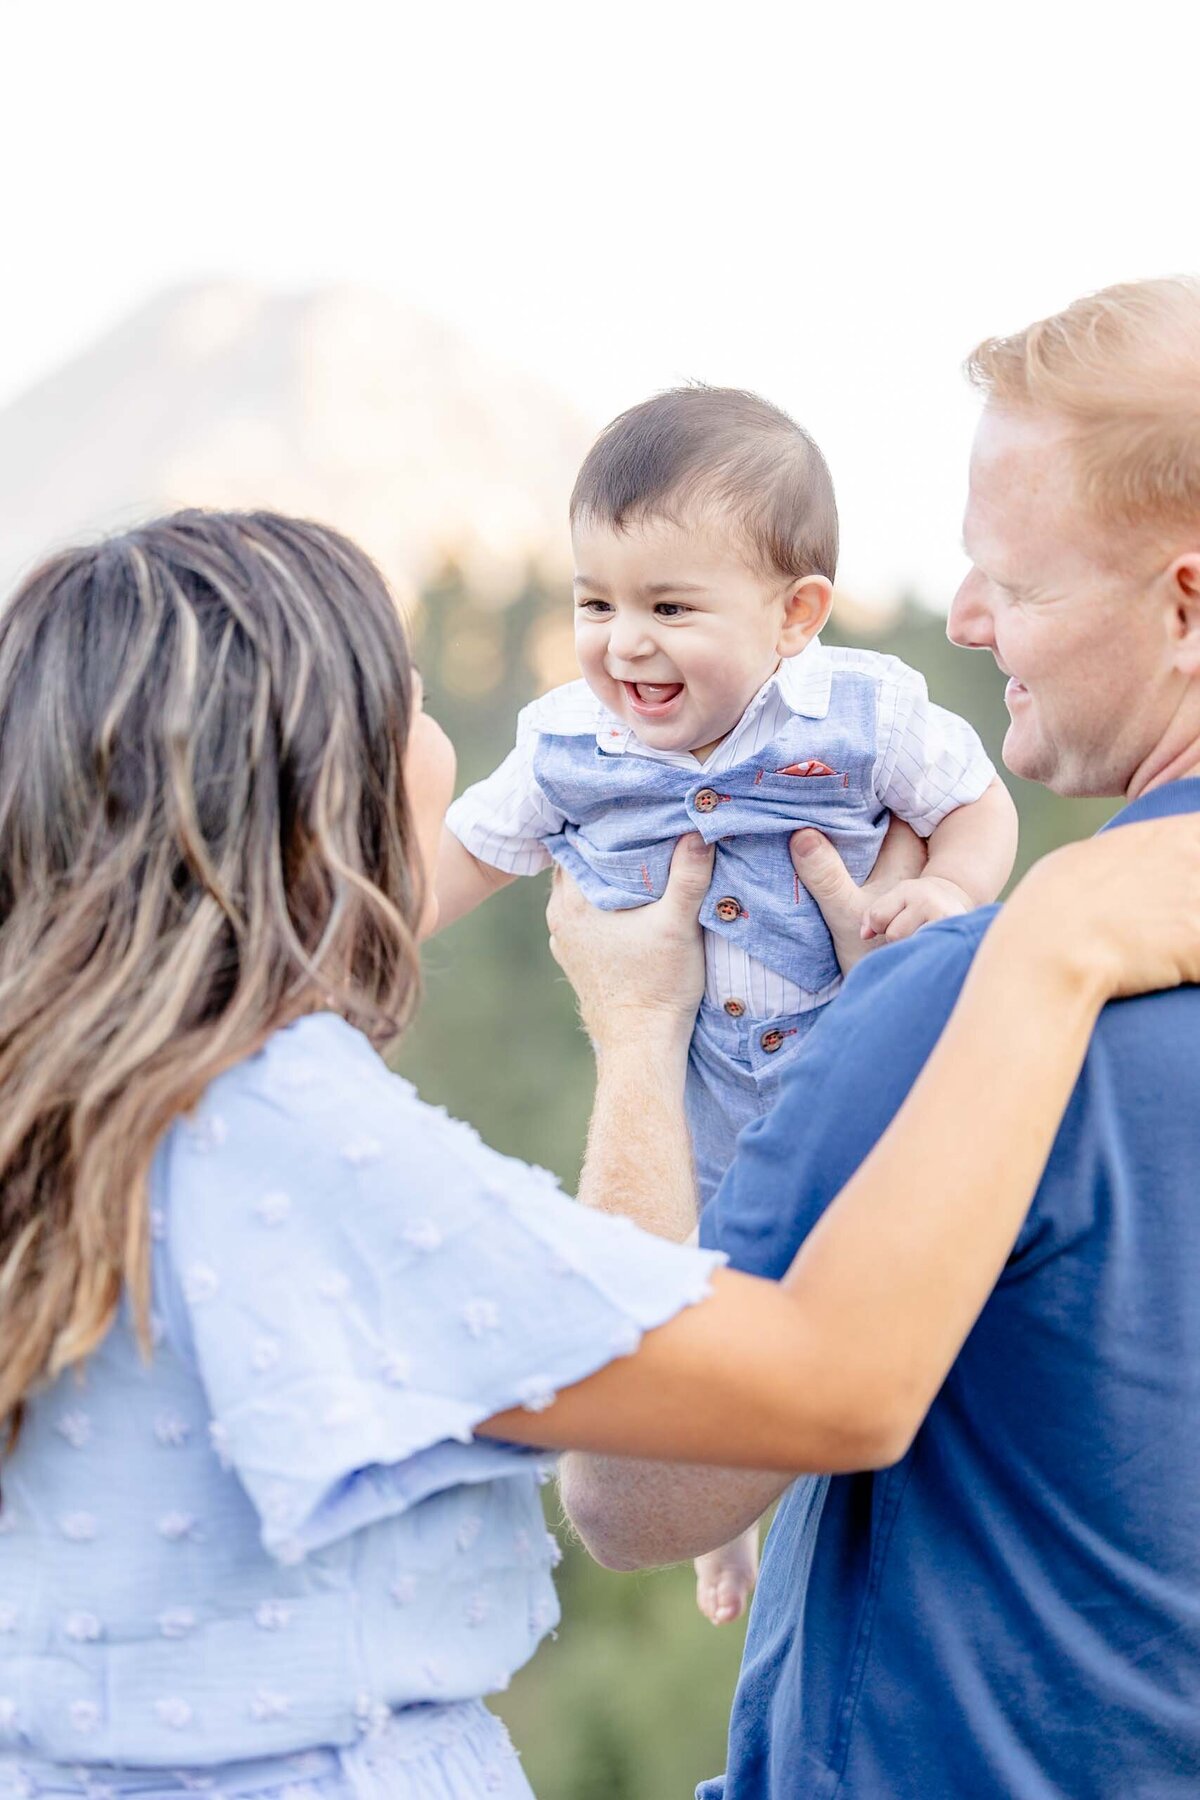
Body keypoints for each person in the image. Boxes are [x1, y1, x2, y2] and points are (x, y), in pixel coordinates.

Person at [0, 512, 1195, 1800]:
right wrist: (1046, 953)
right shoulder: (282, 1138)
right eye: (412, 707)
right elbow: (828, 1390)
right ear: (316, 781)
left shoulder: (77, 1113)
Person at [558, 276, 1200, 1799]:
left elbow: (635, 1488)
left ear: (1188, 603)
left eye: (1016, 582)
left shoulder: (989, 999)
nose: (968, 619)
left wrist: (643, 1036)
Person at [436, 386, 1017, 1621]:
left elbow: (975, 803)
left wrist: (953, 892)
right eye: (596, 603)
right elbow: (466, 855)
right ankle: (724, 1537)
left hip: (847, 1095)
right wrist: (351, 939)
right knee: (692, 1336)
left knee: (865, 1309)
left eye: (669, 608)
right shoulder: (565, 746)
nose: (623, 644)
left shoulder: (863, 714)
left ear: (796, 615)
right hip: (693, 1133)